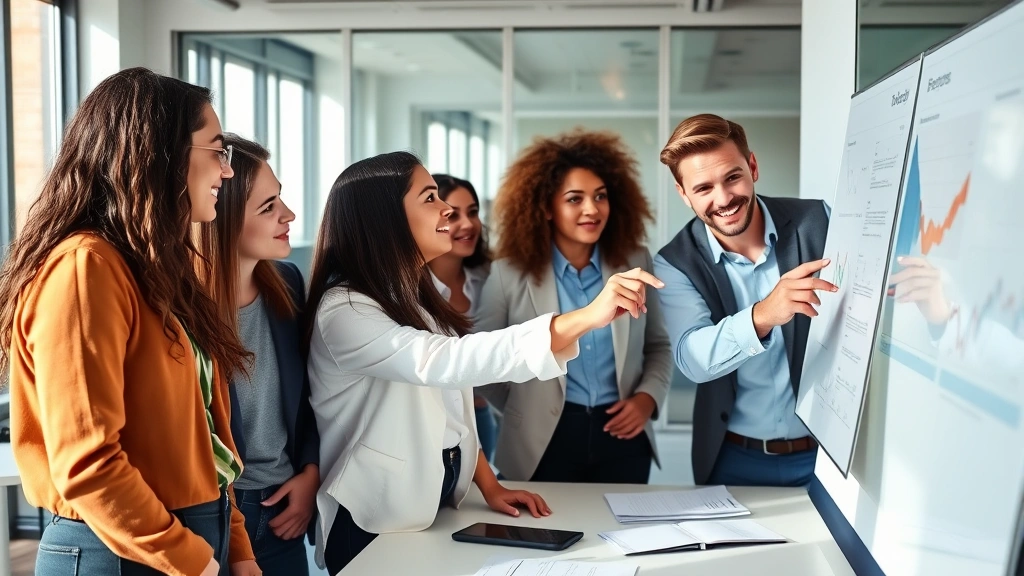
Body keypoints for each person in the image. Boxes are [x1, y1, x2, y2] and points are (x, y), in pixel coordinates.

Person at [303, 151, 662, 574]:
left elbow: (449, 410)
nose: (448, 210)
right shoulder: (344, 308)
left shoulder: (416, 298)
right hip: (371, 518)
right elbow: (449, 362)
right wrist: (587, 316)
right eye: (430, 198)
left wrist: (489, 485)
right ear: (387, 218)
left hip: (427, 505)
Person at [0, 68, 259, 575]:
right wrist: (195, 562)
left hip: (183, 538)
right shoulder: (84, 268)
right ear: (159, 156)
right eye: (217, 150)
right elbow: (88, 464)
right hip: (117, 552)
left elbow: (205, 436)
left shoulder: (165, 269)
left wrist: (238, 549)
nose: (227, 172)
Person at [474, 130, 673, 484]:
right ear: (546, 208)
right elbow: (483, 360)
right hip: (542, 440)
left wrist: (646, 399)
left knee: (622, 535)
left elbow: (658, 345)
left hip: (624, 433)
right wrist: (523, 409)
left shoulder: (635, 261)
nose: (592, 209)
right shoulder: (507, 274)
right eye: (574, 199)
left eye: (600, 196)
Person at [653, 113, 836, 488]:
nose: (723, 199)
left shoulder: (818, 221)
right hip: (734, 459)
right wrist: (764, 315)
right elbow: (693, 359)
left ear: (752, 166)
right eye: (703, 188)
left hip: (827, 456)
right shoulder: (674, 263)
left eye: (732, 177)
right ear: (683, 194)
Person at [195, 134, 320, 575]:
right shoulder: (182, 306)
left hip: (284, 504)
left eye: (280, 199)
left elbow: (313, 393)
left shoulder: (287, 283)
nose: (288, 215)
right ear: (222, 220)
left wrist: (310, 472)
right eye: (268, 208)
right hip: (214, 514)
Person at [425, 174, 499, 460]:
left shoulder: (491, 279)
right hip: (432, 422)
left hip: (481, 413)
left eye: (473, 212)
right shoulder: (408, 291)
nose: (468, 224)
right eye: (453, 215)